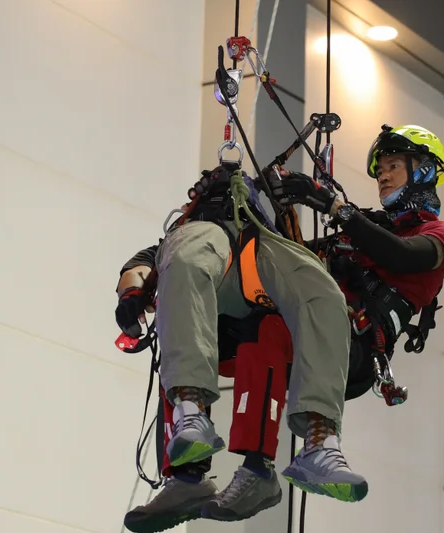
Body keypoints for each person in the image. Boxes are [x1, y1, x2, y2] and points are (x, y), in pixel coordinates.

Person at [124, 124, 444, 529]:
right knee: (187, 318)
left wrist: (330, 204)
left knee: (270, 329)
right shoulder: (359, 232)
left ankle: (265, 466)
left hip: (349, 351)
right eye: (380, 169)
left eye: (393, 166)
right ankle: (187, 473)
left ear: (424, 169)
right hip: (307, 334)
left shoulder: (438, 236)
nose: (383, 176)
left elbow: (402, 256)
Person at [116, 163, 369, 533]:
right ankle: (190, 426)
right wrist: (131, 295)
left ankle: (319, 440)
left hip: (253, 296)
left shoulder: (268, 242)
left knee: (322, 292)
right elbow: (137, 271)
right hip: (212, 327)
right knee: (185, 263)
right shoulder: (178, 246)